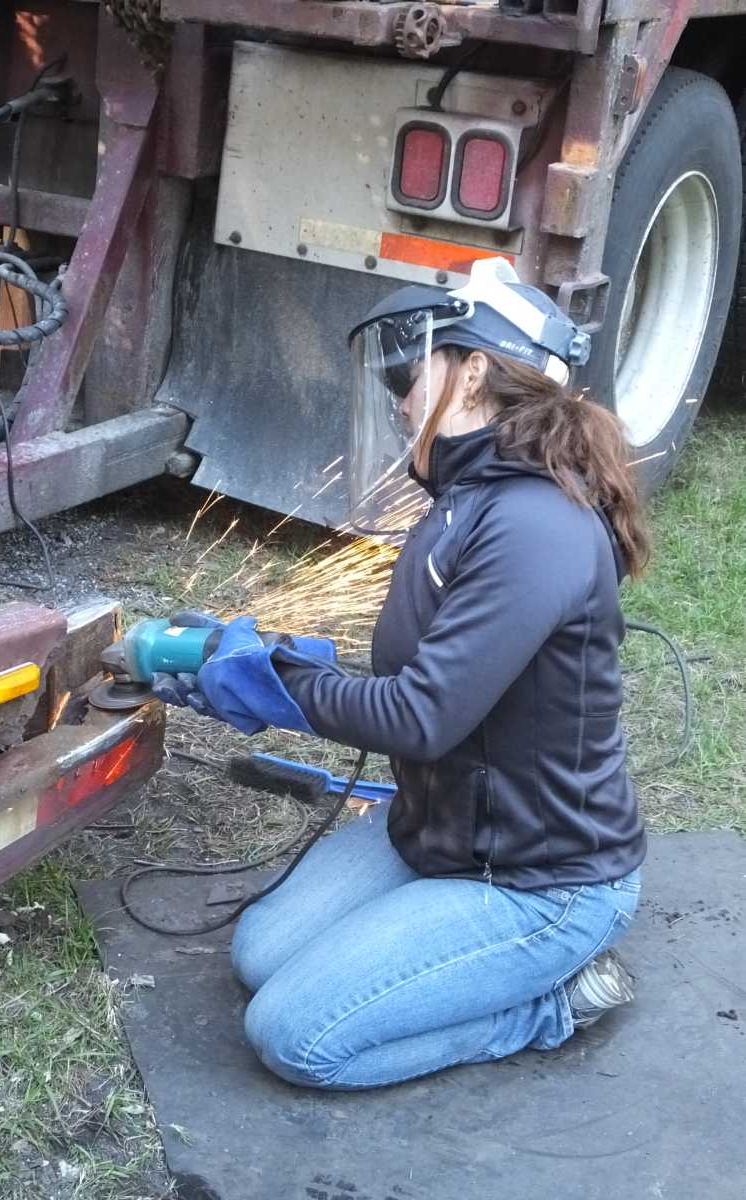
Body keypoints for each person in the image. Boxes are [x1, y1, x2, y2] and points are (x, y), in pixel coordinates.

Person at [155, 258, 649, 1091]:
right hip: (438, 835)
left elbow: (421, 716)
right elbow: (428, 672)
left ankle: (555, 1000)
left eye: (411, 369)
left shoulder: (535, 526)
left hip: (539, 881)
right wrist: (267, 657)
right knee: (259, 955)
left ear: (475, 371)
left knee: (295, 1036)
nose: (398, 395)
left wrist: (269, 683)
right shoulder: (466, 499)